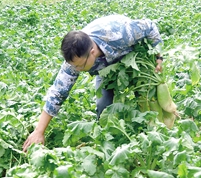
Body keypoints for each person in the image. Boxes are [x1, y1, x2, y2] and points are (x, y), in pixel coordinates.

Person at [22, 14, 163, 151]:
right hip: (107, 68)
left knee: (147, 98)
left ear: (92, 52)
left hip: (134, 58)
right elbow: (58, 93)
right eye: (74, 66)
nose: (77, 70)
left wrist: (159, 57)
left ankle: (155, 132)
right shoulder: (74, 62)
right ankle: (109, 143)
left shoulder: (121, 34)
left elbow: (150, 26)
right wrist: (39, 131)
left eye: (81, 66)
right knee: (104, 107)